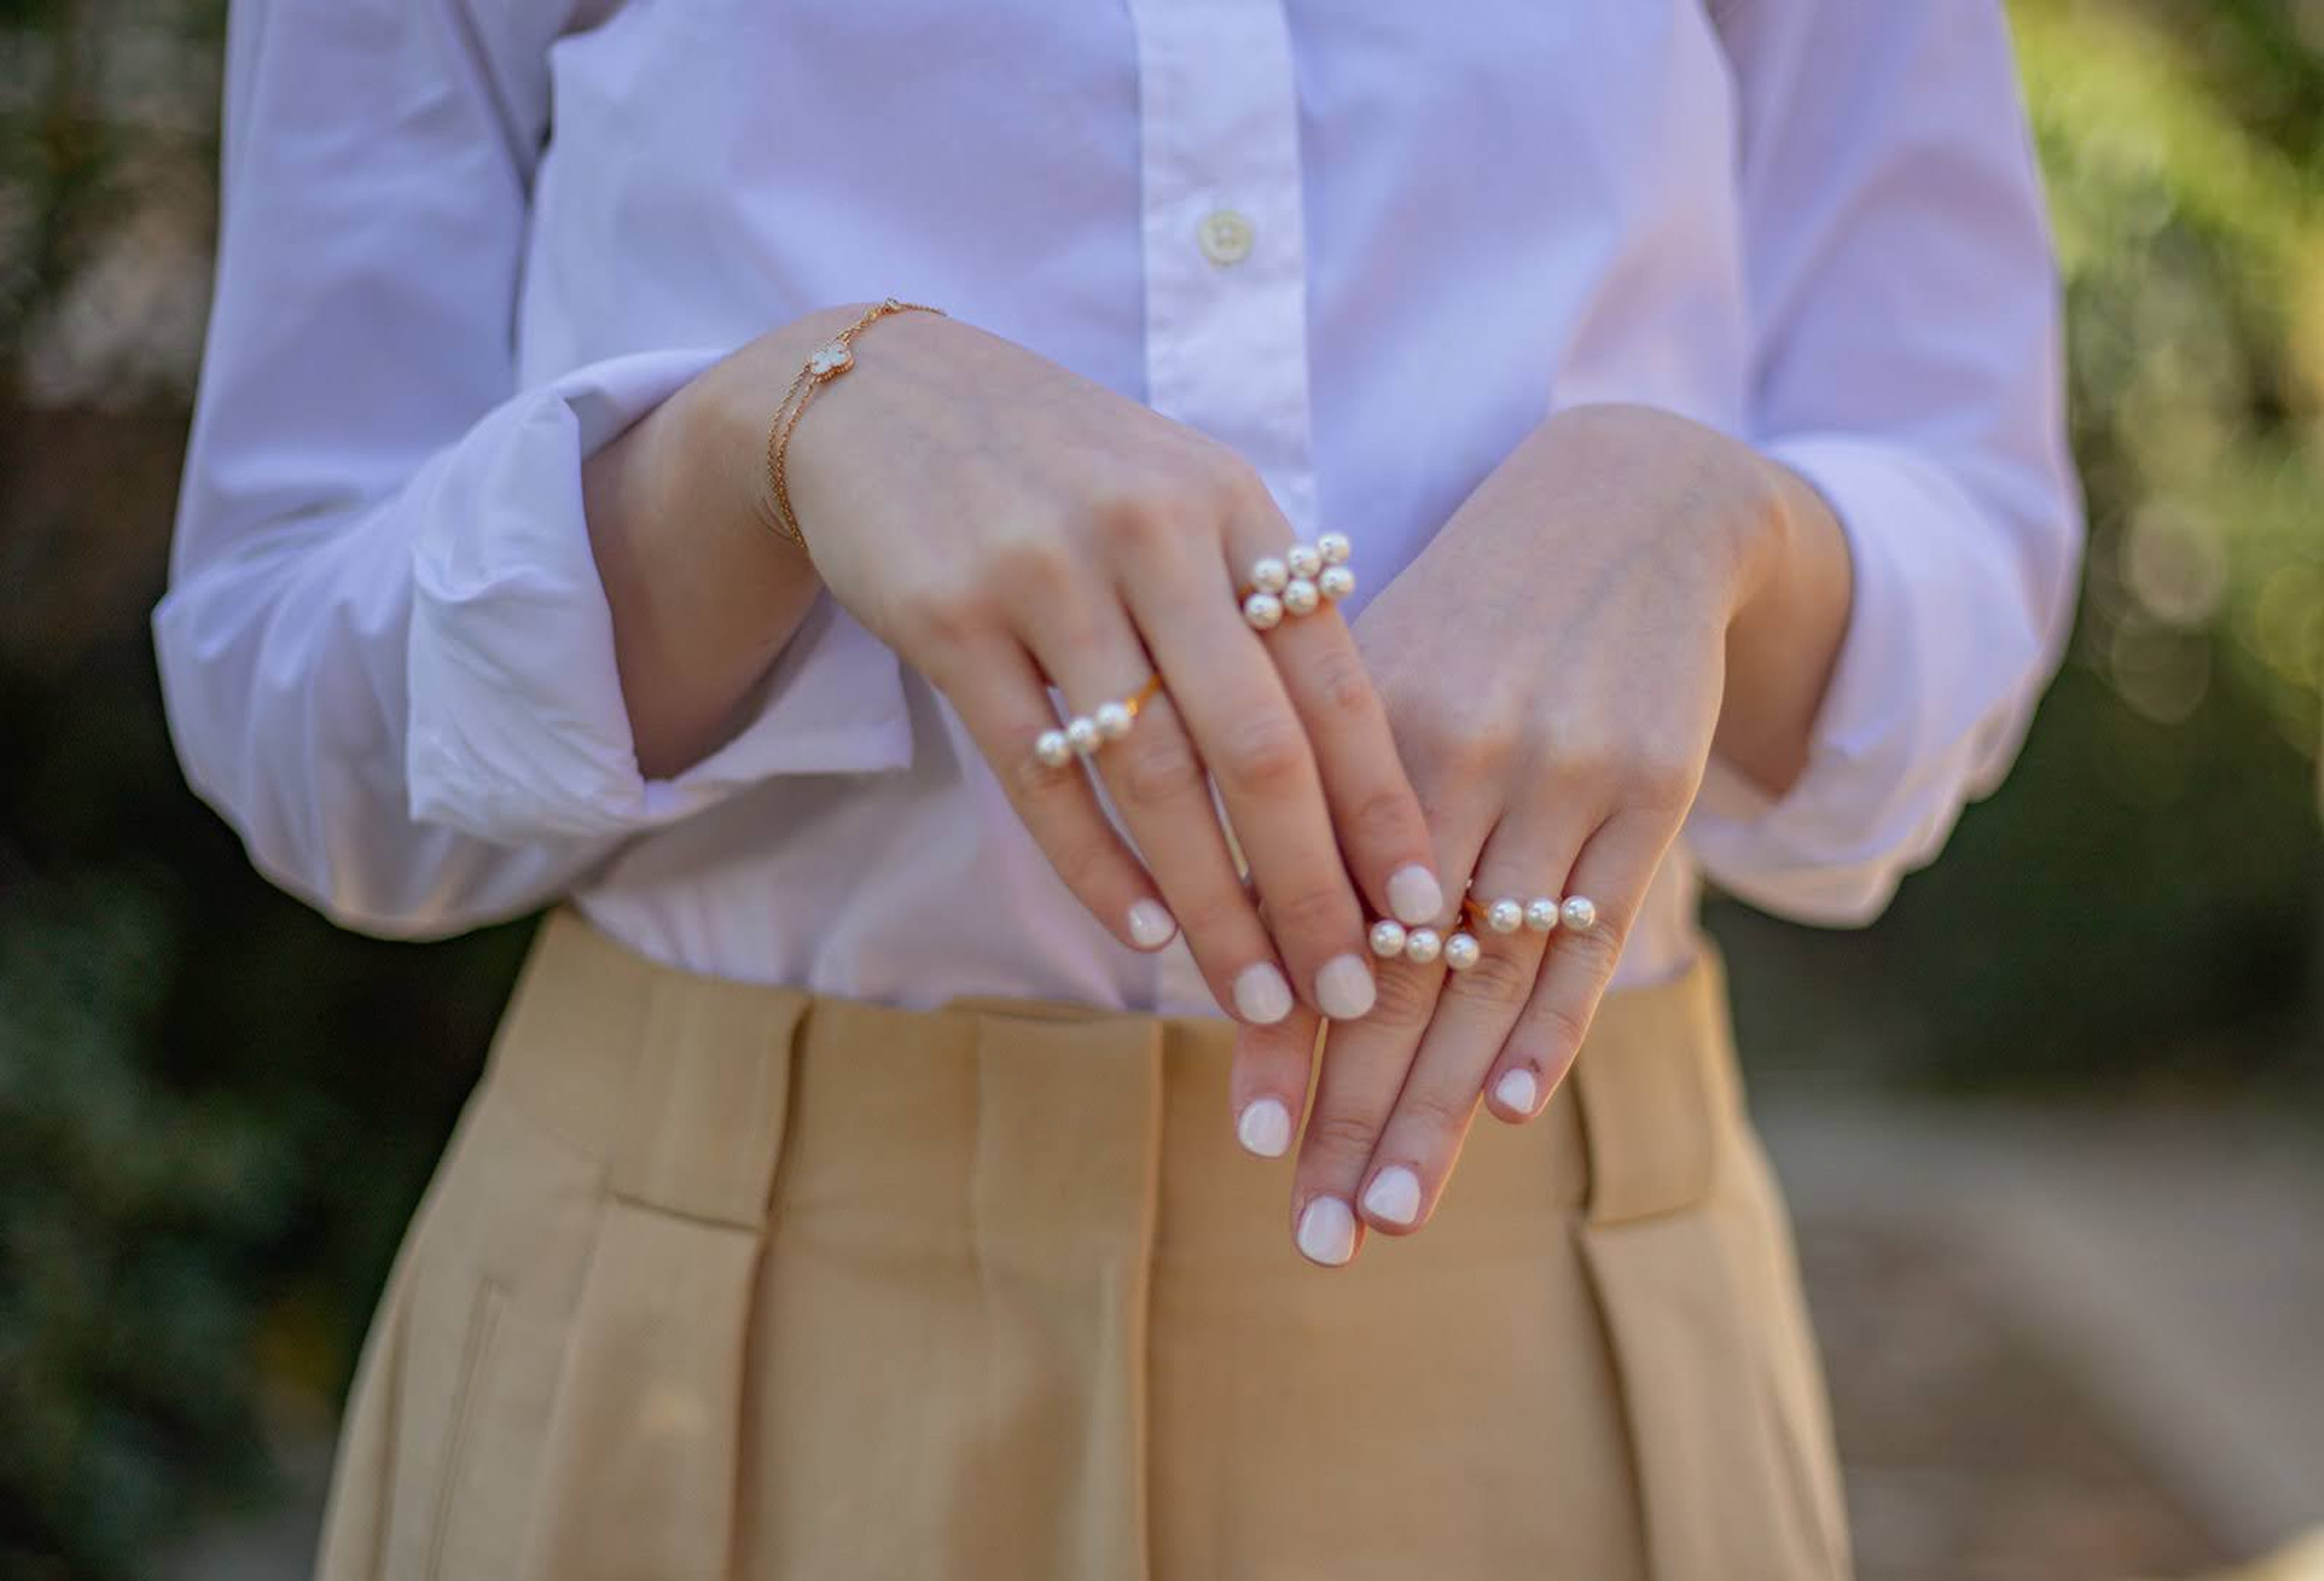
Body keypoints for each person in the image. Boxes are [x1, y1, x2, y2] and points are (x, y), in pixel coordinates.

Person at [154, 0, 2081, 1576]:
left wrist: (1708, 519)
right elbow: (285, 694)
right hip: (715, 1320)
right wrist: (762, 440)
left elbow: (1965, 517)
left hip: (1549, 1328)